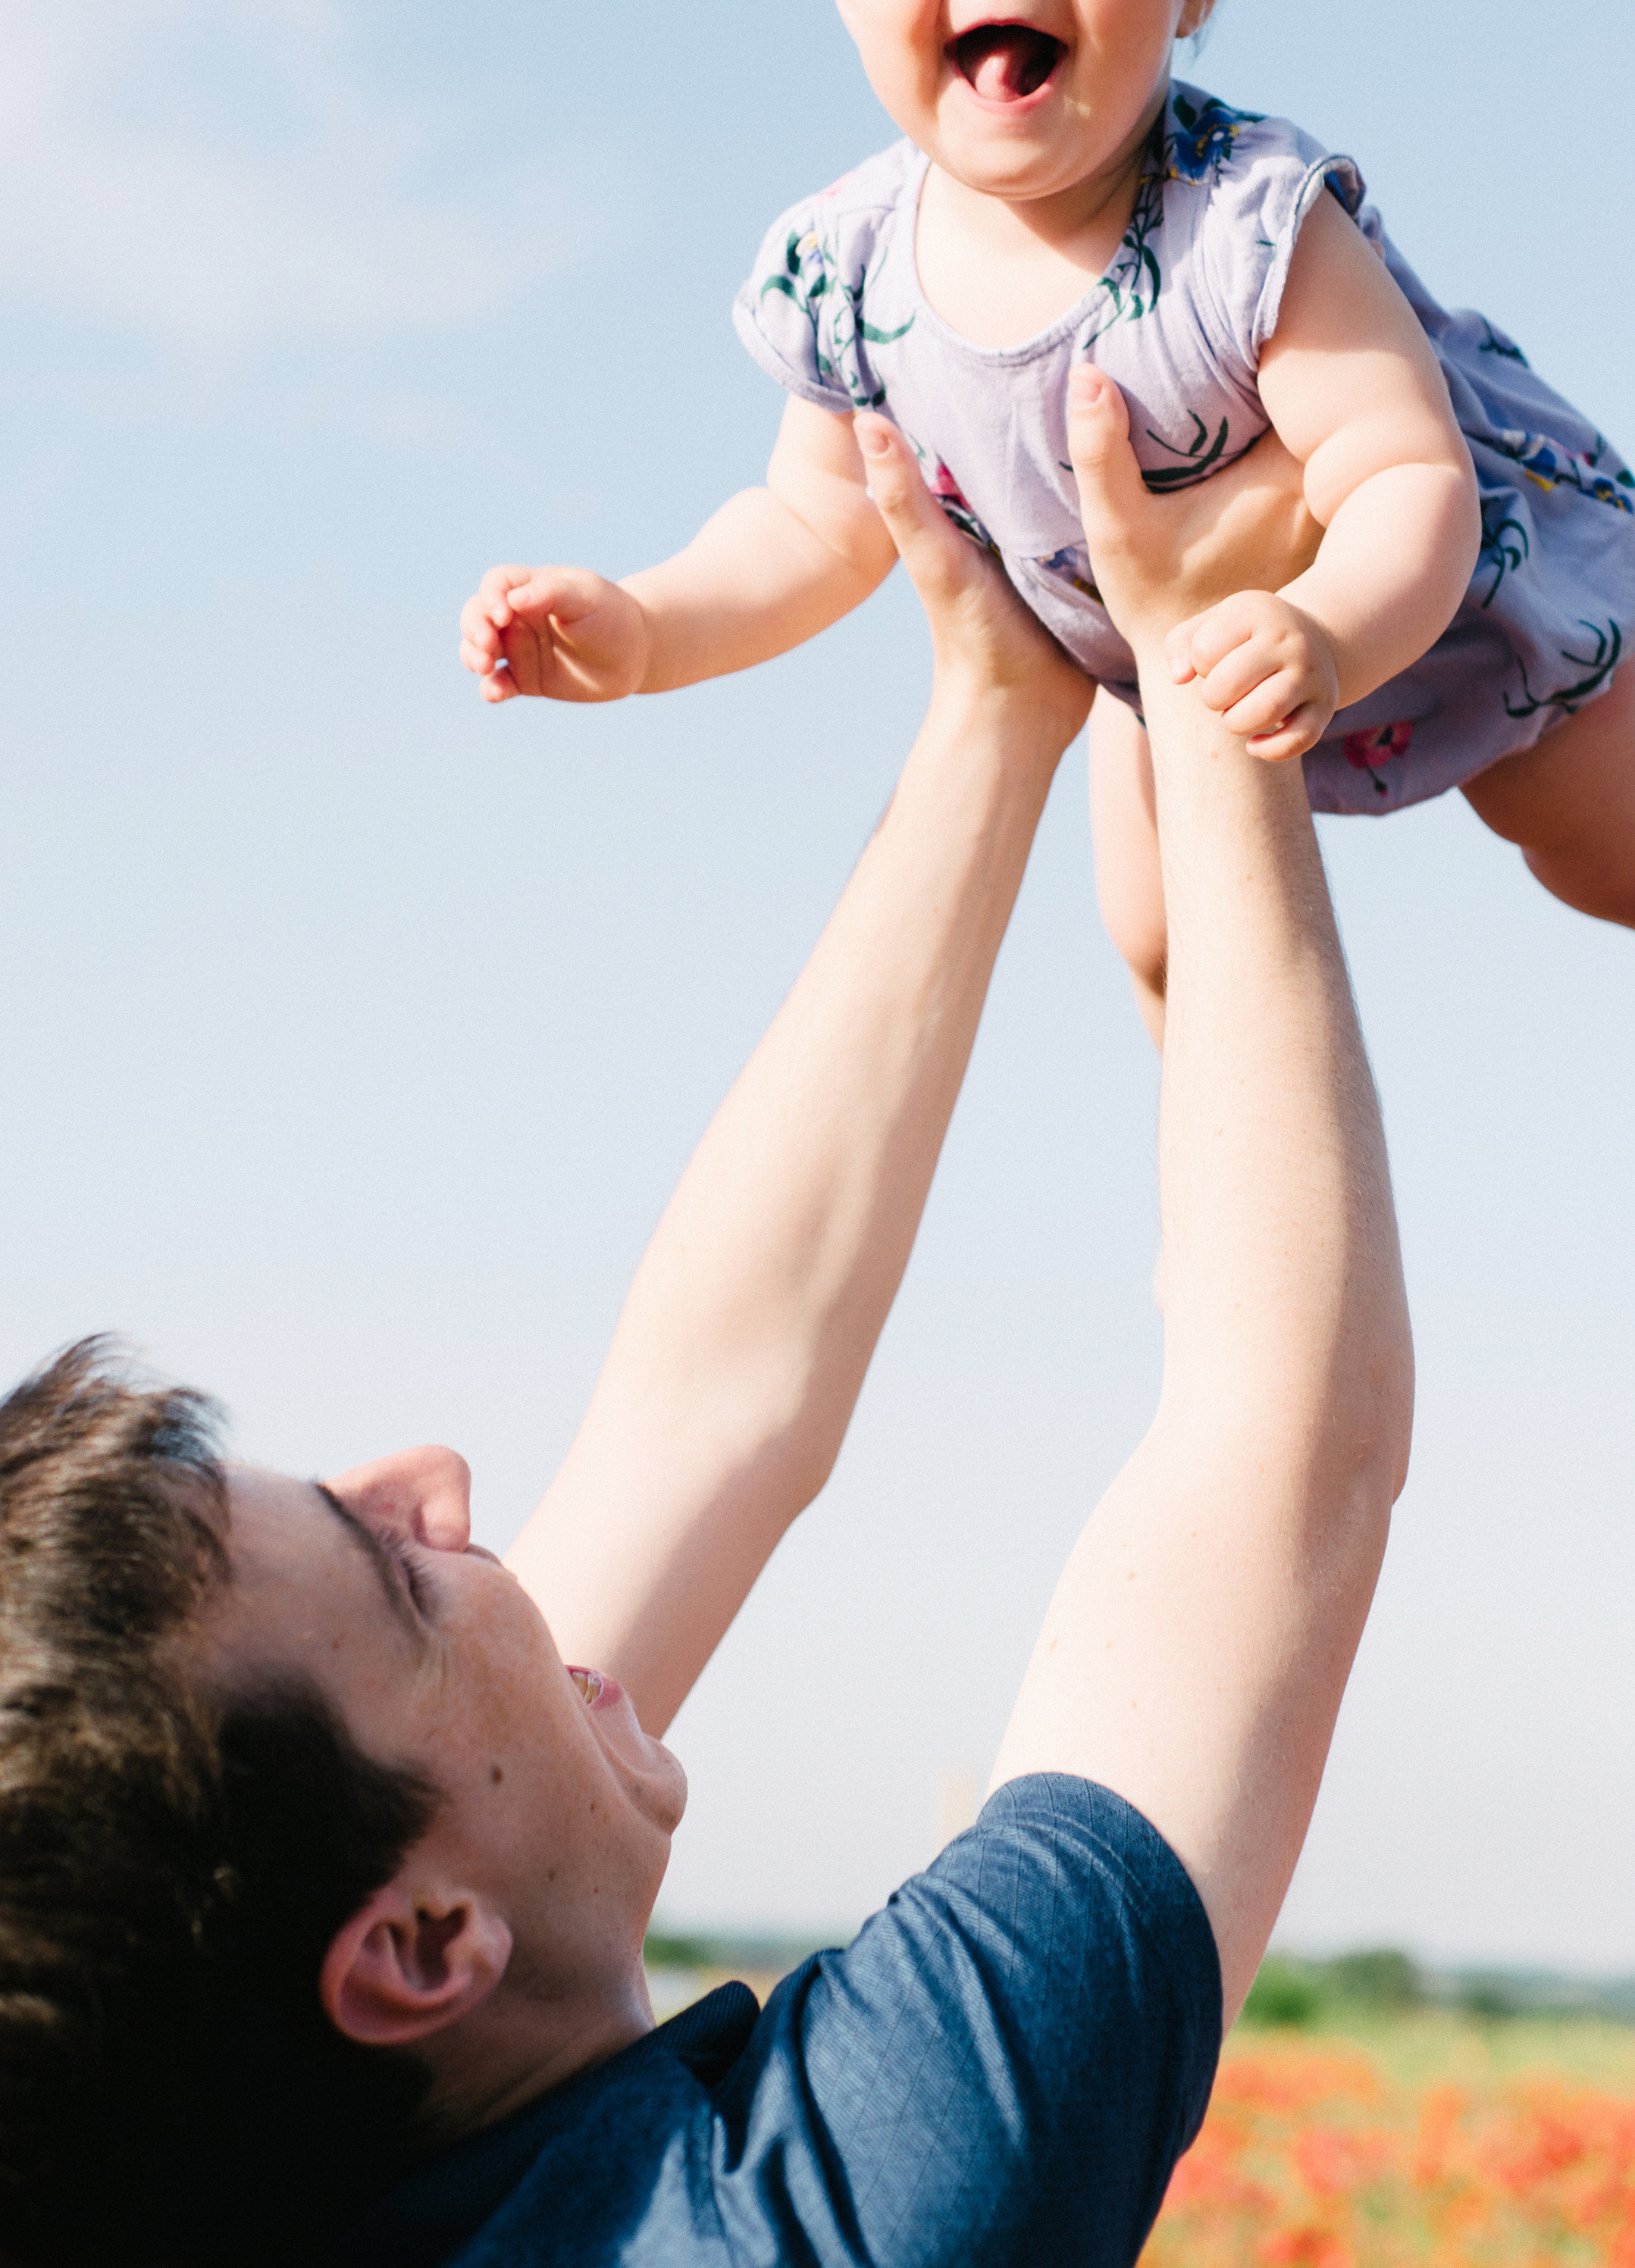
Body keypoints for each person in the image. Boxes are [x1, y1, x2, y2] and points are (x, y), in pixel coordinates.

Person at [0, 393, 1411, 2268]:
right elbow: (1282, 1448)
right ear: (419, 1948)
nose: (435, 1481)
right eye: (396, 1570)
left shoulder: (209, 2108)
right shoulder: (843, 2216)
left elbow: (717, 1404)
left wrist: (993, 710)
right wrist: (1213, 684)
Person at [458, 0, 1635, 1214]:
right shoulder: (844, 266)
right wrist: (645, 626)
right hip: (1171, 661)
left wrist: (1328, 628)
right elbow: (810, 525)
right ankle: (1227, 1204)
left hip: (1448, 607)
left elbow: (1398, 470)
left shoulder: (1248, 220)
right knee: (1153, 931)